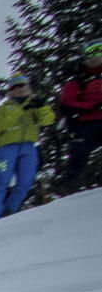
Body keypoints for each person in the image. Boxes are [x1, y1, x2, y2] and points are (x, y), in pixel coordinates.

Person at [0, 75, 56, 221]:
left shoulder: (34, 105)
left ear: (28, 86)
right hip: (4, 150)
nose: (19, 89)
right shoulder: (2, 109)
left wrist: (42, 105)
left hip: (28, 147)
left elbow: (48, 120)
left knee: (26, 182)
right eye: (14, 87)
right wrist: (22, 108)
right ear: (10, 91)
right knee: (1, 182)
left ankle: (10, 211)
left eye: (22, 85)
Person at [62, 43, 102, 194]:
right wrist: (92, 106)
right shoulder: (76, 80)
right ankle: (69, 193)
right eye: (92, 53)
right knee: (77, 160)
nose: (96, 57)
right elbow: (67, 103)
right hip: (83, 125)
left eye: (99, 51)